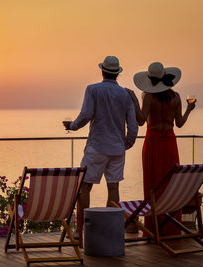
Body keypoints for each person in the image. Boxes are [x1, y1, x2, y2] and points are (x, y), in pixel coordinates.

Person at [63, 56, 138, 238]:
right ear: (117, 74)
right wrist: (125, 144)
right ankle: (111, 232)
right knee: (113, 188)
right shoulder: (125, 95)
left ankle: (81, 232)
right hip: (117, 150)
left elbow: (86, 114)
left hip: (96, 147)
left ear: (102, 71)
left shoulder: (93, 90)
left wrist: (71, 126)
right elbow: (133, 126)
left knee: (85, 188)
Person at [127, 62, 196, 235]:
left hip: (153, 143)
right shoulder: (176, 96)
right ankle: (171, 228)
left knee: (153, 184)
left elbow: (141, 120)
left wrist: (135, 99)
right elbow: (179, 123)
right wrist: (189, 109)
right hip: (171, 144)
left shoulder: (148, 96)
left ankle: (154, 229)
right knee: (170, 184)